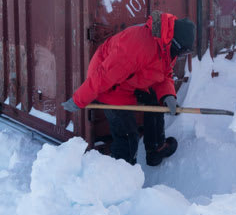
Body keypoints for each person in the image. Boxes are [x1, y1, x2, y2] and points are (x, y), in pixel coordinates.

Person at [61, 11, 195, 166]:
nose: (181, 56)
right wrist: (78, 99)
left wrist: (168, 95)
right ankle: (123, 176)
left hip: (131, 78)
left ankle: (155, 149)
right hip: (111, 85)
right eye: (182, 52)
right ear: (175, 43)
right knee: (128, 136)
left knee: (156, 100)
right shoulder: (138, 46)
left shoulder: (166, 46)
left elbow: (163, 74)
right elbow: (103, 76)